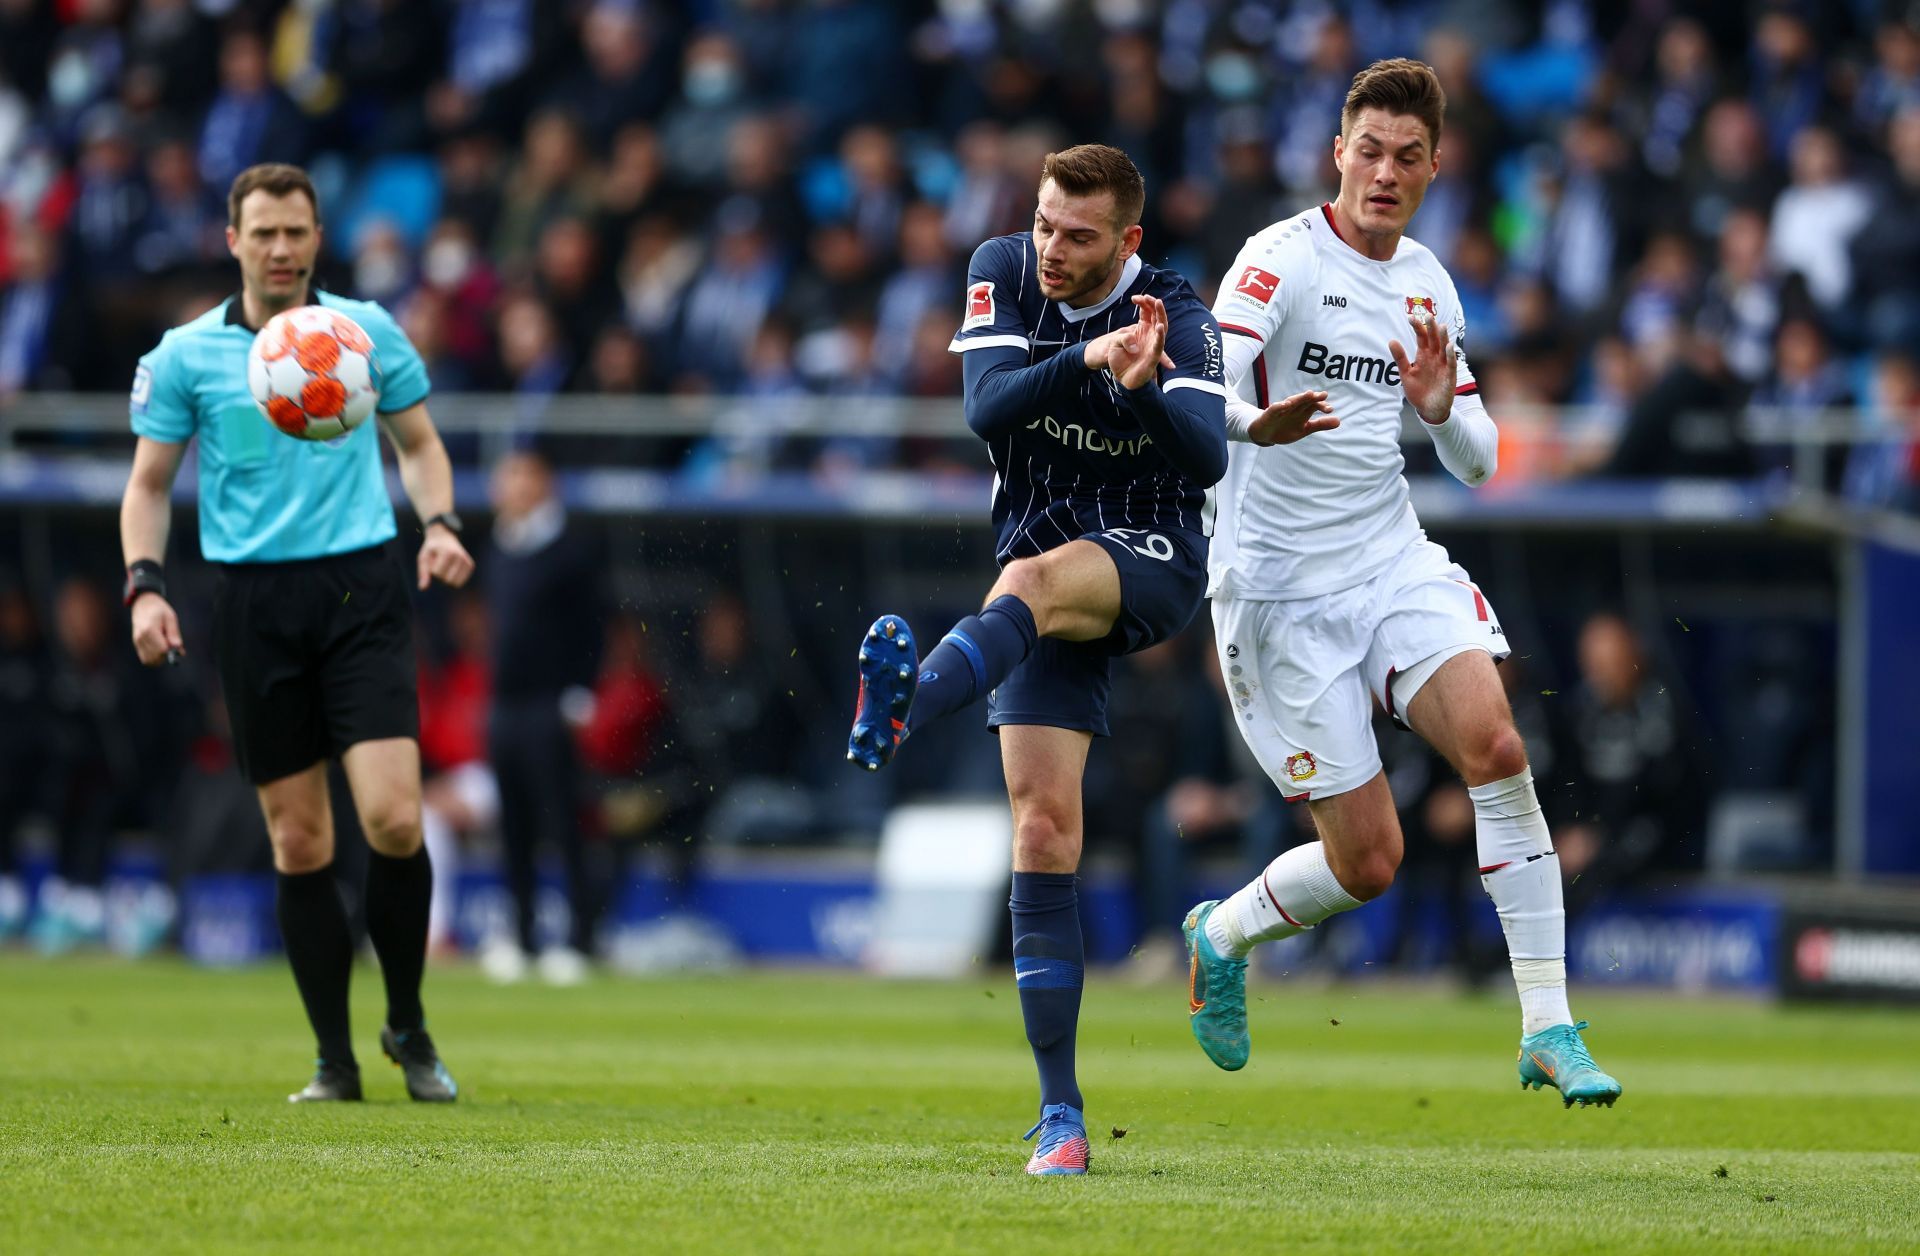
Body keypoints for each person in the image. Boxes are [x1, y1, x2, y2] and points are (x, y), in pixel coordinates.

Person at [1181, 60, 1622, 1108]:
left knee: (1499, 745)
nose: (1384, 171)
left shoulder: (1427, 277)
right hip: (1277, 593)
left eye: (1406, 156)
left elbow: (1476, 459)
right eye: (1367, 150)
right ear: (1338, 151)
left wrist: (1437, 402)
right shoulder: (1277, 259)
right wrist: (1256, 422)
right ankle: (1222, 930)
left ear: (1436, 166)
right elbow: (1204, 390)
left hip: (1388, 558)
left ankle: (1549, 1023)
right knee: (1369, 860)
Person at [846, 144, 1247, 1175]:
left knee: (1025, 582)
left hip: (1151, 559)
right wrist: (1087, 358)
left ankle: (908, 707)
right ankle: (1060, 1115)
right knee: (1044, 824)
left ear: (1128, 240)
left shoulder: (1179, 311)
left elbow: (1207, 456)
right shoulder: (1003, 269)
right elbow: (984, 408)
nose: (1053, 248)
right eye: (1044, 224)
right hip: (1042, 584)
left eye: (1078, 234)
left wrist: (1147, 377)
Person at [119, 163, 474, 1103]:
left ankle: (408, 1023)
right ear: (232, 240)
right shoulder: (189, 355)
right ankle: (334, 1059)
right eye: (264, 232)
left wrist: (440, 526)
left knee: (395, 816)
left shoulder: (364, 333)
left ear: (320, 238)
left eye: (297, 232)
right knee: (300, 842)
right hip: (254, 606)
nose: (281, 249)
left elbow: (423, 445)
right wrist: (144, 588)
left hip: (363, 589)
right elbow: (148, 487)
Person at [480, 445, 607, 986]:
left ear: (545, 483)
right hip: (504, 707)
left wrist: (581, 691)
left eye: (523, 476)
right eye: (506, 477)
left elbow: (594, 626)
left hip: (551, 705)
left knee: (563, 822)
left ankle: (581, 937)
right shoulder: (499, 549)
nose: (513, 487)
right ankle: (524, 935)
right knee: (513, 826)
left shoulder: (572, 550)